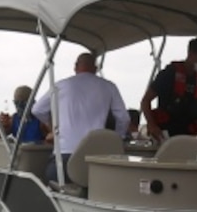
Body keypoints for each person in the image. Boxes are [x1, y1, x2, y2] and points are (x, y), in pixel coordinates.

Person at [30, 51, 129, 182]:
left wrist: (53, 127)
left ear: (75, 66)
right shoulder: (109, 86)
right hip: (96, 156)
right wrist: (119, 138)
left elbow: (37, 110)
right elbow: (123, 118)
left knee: (51, 176)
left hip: (65, 156)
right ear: (95, 68)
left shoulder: (61, 85)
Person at [141, 36, 197, 147]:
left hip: (188, 137)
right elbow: (145, 101)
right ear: (190, 54)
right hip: (165, 135)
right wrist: (151, 125)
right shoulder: (169, 74)